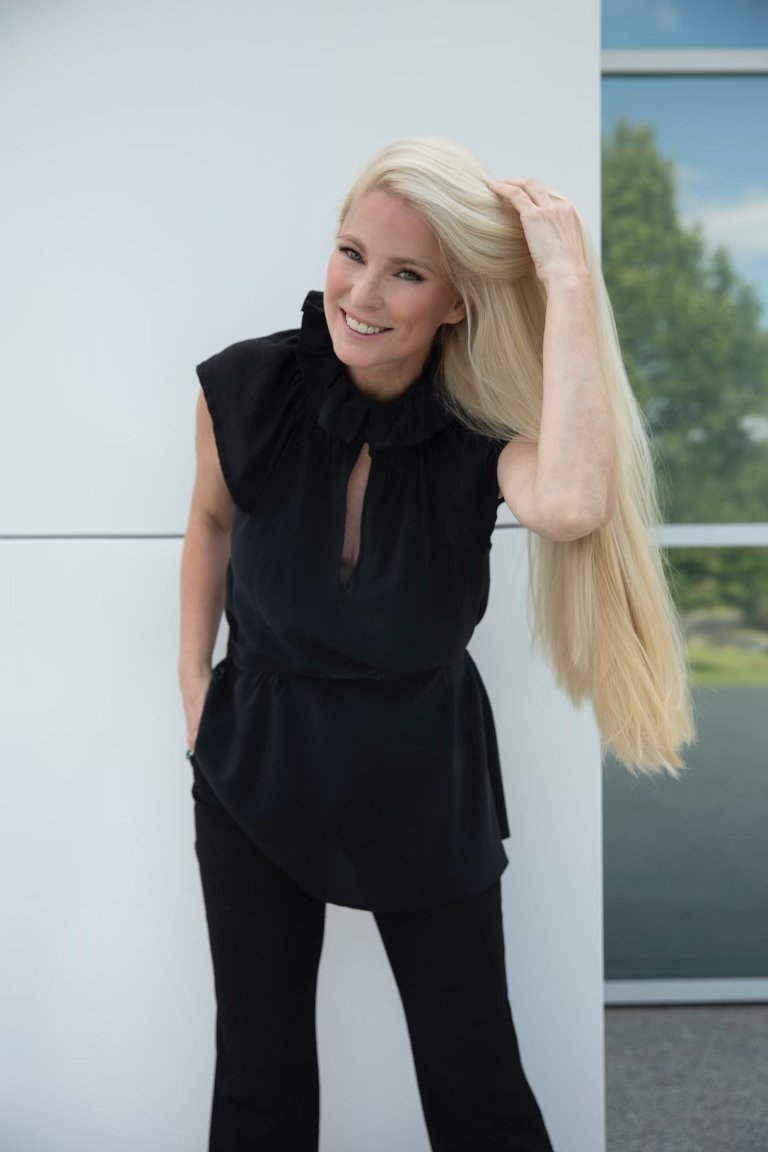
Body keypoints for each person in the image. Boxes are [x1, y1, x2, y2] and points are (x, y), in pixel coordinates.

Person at [178, 136, 695, 1151]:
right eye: (351, 252)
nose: (361, 294)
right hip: (255, 757)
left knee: (477, 1088)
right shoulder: (249, 386)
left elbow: (574, 503)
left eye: (407, 273)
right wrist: (195, 689)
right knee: (256, 1086)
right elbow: (209, 521)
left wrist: (568, 280)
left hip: (424, 770)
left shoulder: (477, 430)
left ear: (457, 302)